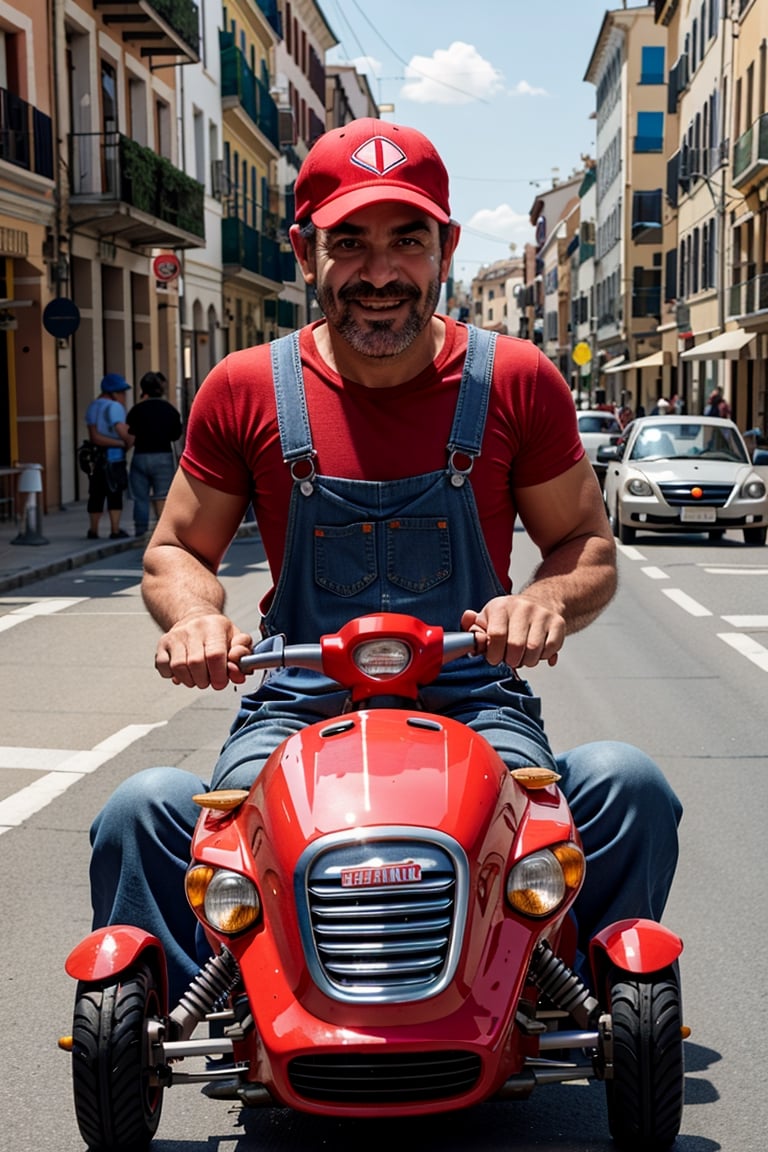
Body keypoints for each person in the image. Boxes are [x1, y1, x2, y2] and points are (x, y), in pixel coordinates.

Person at [90, 119, 682, 1004]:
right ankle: (202, 1011)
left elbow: (586, 545)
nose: (378, 273)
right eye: (348, 242)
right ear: (303, 250)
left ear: (444, 246)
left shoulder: (516, 380)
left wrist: (547, 602)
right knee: (140, 812)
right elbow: (175, 547)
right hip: (297, 705)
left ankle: (580, 1005)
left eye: (406, 240)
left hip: (474, 697)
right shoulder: (245, 388)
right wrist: (195, 617)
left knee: (630, 789)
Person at [126, 371, 183, 538]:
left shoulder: (137, 410)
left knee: (140, 497)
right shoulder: (170, 410)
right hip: (163, 455)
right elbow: (175, 435)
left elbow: (131, 433)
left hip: (140, 455)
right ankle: (163, 532)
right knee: (163, 495)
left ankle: (140, 530)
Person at [84, 372, 134, 540]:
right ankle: (114, 529)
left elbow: (94, 436)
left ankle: (93, 529)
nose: (123, 396)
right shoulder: (114, 408)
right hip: (114, 457)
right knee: (114, 493)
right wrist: (125, 443)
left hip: (96, 458)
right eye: (121, 392)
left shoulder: (93, 406)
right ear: (114, 393)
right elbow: (122, 431)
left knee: (96, 493)